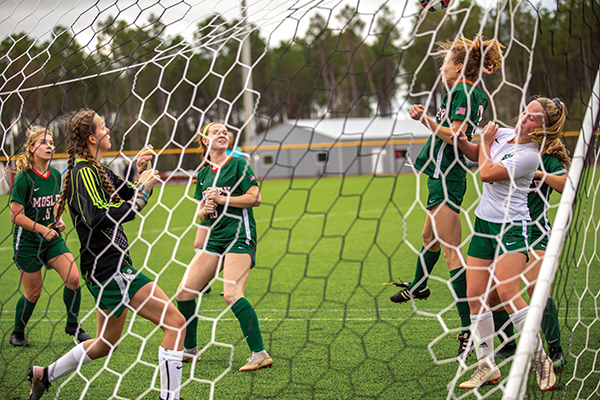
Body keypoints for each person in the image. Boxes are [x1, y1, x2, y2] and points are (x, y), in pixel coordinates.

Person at [27, 110, 186, 400]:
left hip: (105, 267)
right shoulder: (83, 172)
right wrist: (140, 196)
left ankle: (44, 375)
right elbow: (98, 216)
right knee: (176, 323)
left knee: (105, 342)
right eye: (103, 127)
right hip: (109, 268)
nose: (108, 130)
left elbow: (130, 195)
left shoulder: (97, 170)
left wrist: (141, 173)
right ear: (91, 137)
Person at [390, 35, 504, 358]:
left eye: (445, 63)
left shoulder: (463, 91)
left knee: (453, 255)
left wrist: (425, 119)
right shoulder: (468, 91)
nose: (442, 69)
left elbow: (456, 136)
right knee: (429, 238)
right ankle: (418, 286)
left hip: (445, 176)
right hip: (441, 176)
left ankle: (470, 330)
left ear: (459, 66)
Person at [456, 97, 566, 391]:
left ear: (541, 129)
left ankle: (541, 359)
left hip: (513, 228)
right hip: (483, 224)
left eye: (532, 118)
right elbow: (478, 154)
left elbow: (486, 173)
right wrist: (465, 142)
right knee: (475, 296)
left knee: (507, 292)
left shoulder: (530, 156)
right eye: (525, 111)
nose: (523, 118)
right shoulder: (502, 134)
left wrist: (484, 141)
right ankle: (486, 366)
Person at [176, 122, 272, 371]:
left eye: (225, 131)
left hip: (240, 236)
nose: (223, 133)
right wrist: (206, 210)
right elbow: (201, 213)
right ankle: (190, 350)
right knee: (184, 292)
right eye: (215, 131)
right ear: (205, 140)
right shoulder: (203, 174)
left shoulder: (238, 164)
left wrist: (222, 198)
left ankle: (260, 354)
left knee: (231, 294)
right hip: (214, 239)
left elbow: (255, 198)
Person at [9, 126, 92, 347]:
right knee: (33, 292)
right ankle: (17, 333)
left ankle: (73, 325)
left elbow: (55, 204)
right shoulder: (23, 178)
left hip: (51, 239)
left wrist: (58, 219)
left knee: (74, 279)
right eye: (43, 142)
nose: (49, 146)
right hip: (27, 243)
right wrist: (41, 229)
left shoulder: (55, 175)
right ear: (31, 148)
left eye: (51, 143)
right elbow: (15, 216)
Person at [523, 113, 570, 368]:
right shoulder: (514, 150)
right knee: (494, 293)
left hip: (535, 231)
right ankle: (507, 345)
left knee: (536, 288)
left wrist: (539, 173)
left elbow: (565, 185)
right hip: (506, 230)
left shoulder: (548, 159)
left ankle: (555, 349)